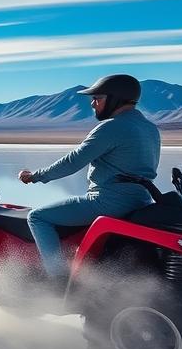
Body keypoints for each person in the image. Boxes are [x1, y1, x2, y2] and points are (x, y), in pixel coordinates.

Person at [16, 74, 160, 283]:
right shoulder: (149, 128)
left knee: (38, 217)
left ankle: (58, 279)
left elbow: (73, 161)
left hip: (107, 203)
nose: (92, 104)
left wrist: (35, 176)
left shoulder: (112, 127)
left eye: (98, 98)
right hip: (140, 202)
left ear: (115, 99)